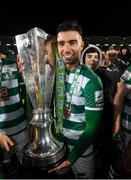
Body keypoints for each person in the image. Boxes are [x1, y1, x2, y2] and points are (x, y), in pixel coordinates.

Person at [47, 20, 104, 179]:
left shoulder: (92, 81)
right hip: (58, 144)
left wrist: (72, 157)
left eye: (72, 42)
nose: (66, 49)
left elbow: (92, 129)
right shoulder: (55, 74)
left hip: (80, 150)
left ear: (81, 44)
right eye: (61, 44)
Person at [0, 43, 29, 178]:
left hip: (21, 128)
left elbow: (27, 93)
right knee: (7, 168)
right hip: (1, 133)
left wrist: (27, 73)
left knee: (27, 165)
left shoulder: (13, 64)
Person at [109, 65, 131, 178]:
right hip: (127, 134)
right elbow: (119, 94)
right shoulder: (130, 70)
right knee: (120, 167)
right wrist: (116, 125)